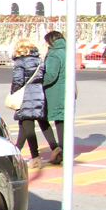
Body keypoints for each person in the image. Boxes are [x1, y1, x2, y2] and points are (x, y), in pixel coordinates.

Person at [10, 36, 55, 169]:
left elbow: (18, 81)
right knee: (24, 124)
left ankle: (35, 157)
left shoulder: (20, 62)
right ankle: (16, 150)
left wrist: (13, 93)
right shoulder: (39, 61)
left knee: (28, 127)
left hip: (26, 95)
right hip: (38, 93)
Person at [41, 30, 67, 165]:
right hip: (65, 92)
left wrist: (39, 82)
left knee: (41, 118)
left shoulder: (53, 54)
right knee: (61, 121)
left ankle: (55, 147)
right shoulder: (66, 50)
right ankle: (63, 150)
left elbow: (51, 75)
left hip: (53, 92)